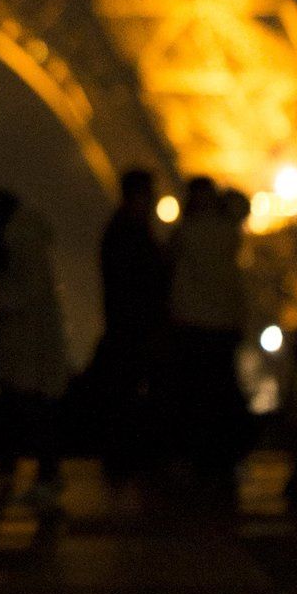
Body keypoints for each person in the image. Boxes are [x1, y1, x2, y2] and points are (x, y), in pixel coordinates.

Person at [0, 191, 70, 506]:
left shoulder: (18, 240)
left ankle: (41, 477)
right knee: (37, 409)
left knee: (30, 409)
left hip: (25, 341)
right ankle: (45, 476)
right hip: (35, 341)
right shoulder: (30, 236)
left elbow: (25, 293)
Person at [88, 168, 169, 480]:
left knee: (126, 389)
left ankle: (125, 454)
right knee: (129, 389)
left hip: (127, 323)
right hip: (134, 325)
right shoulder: (130, 232)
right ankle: (127, 455)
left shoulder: (122, 229)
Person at [166, 178, 248, 485]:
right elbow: (243, 205)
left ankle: (197, 453)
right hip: (223, 324)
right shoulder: (228, 231)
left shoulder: (185, 234)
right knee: (221, 389)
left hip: (192, 323)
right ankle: (222, 453)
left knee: (194, 392)